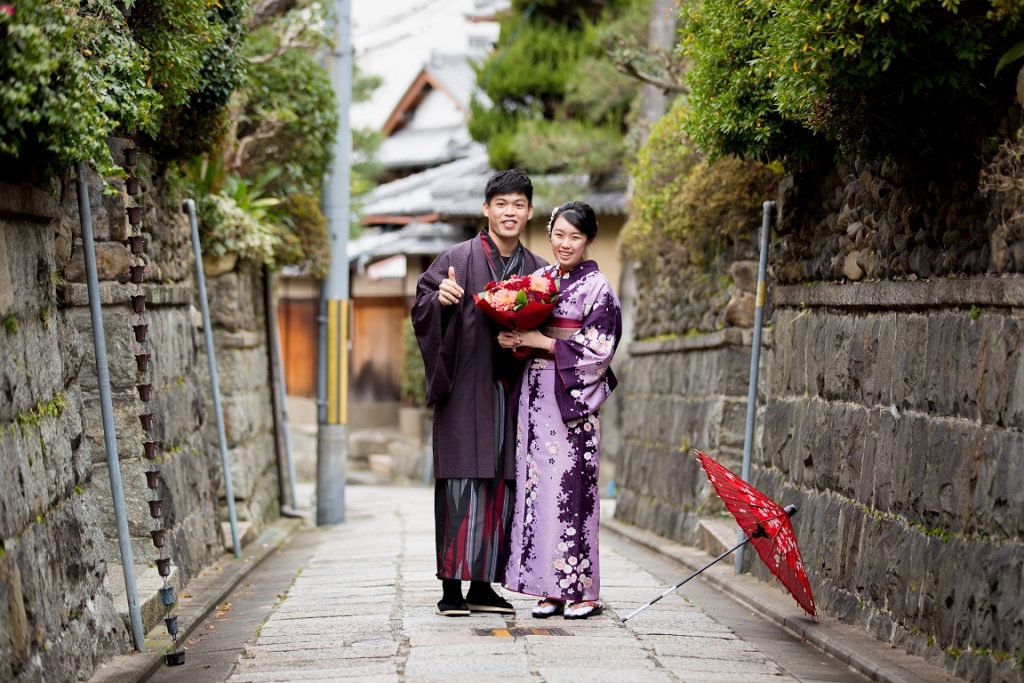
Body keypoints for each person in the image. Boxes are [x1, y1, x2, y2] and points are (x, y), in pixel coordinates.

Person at [411, 169, 548, 616]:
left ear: (529, 212)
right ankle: (451, 587)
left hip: (510, 394)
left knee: (502, 487)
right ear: (486, 209)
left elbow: (547, 330)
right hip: (465, 389)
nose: (510, 212)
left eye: (519, 205)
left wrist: (524, 340)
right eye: (501, 204)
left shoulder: (536, 271)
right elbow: (421, 307)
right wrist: (441, 301)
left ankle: (484, 586)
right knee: (460, 482)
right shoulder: (456, 257)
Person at [498, 201, 622, 620]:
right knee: (538, 490)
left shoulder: (598, 287)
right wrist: (515, 339)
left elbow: (599, 351)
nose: (565, 244)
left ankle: (583, 590)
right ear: (549, 234)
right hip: (536, 397)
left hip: (571, 400)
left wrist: (543, 342)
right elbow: (523, 330)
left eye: (575, 236)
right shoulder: (539, 279)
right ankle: (547, 587)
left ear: (589, 240)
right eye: (559, 235)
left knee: (574, 492)